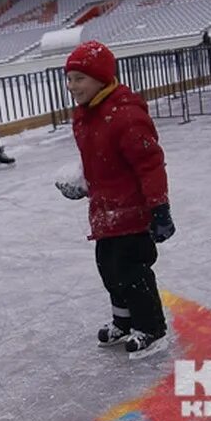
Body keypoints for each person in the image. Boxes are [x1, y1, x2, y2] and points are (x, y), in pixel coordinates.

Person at [56, 41, 176, 359]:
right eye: (69, 79)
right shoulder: (85, 116)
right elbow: (98, 161)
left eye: (79, 78)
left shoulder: (125, 115)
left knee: (132, 271)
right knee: (108, 268)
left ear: (100, 78)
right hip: (104, 211)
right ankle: (123, 322)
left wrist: (160, 208)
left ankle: (151, 326)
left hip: (133, 211)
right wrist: (81, 183)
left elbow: (150, 164)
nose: (71, 86)